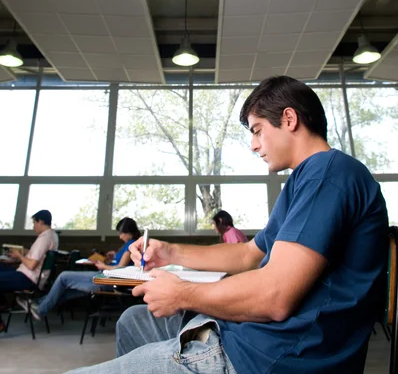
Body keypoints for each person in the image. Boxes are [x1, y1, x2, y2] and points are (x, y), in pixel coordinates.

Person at [65, 76, 388, 374]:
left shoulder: (328, 174)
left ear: (289, 119)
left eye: (257, 129)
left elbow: (274, 297)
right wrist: (170, 251)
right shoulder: (305, 180)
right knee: (136, 320)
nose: (254, 145)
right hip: (260, 338)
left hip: (278, 354)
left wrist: (183, 294)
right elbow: (249, 254)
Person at [16, 217, 140, 321]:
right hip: (106, 278)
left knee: (64, 276)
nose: (120, 236)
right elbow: (121, 263)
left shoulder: (131, 245)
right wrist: (111, 257)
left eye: (121, 233)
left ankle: (40, 309)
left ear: (128, 232)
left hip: (107, 281)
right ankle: (38, 304)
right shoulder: (129, 244)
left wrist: (103, 266)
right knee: (65, 288)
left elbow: (120, 269)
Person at [0, 209, 58, 332]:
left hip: (27, 278)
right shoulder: (52, 235)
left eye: (34, 223)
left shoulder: (43, 238)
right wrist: (23, 252)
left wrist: (19, 256)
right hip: (32, 276)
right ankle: (3, 303)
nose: (33, 227)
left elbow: (31, 265)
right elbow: (38, 257)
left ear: (41, 222)